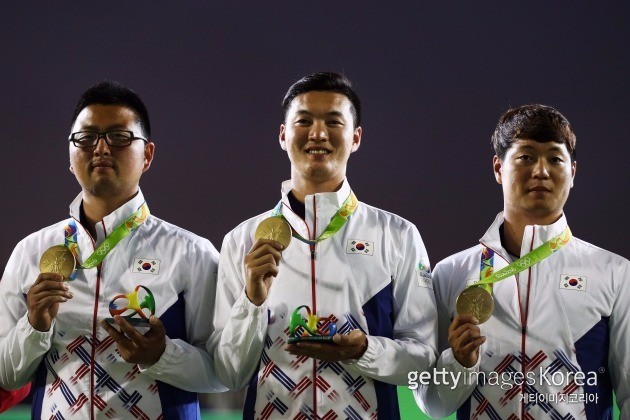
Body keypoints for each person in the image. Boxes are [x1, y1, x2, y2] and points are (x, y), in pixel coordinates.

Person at [208, 72, 437, 419]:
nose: (318, 133)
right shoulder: (242, 240)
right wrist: (251, 301)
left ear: (356, 138)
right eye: (304, 121)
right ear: (283, 136)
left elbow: (424, 362)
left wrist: (366, 350)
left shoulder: (398, 235)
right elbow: (229, 373)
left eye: (333, 121)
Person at [0, 81, 225, 418]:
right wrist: (34, 325)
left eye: (119, 137)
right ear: (71, 155)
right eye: (87, 138)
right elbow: (7, 376)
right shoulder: (30, 252)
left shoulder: (193, 253)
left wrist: (161, 356)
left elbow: (224, 373)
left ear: (147, 155)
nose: (101, 148)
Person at [415, 104, 629, 418]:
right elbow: (432, 405)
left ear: (572, 173)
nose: (540, 171)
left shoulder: (615, 274)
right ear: (498, 168)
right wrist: (459, 363)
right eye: (526, 157)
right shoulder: (450, 274)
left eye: (555, 158)